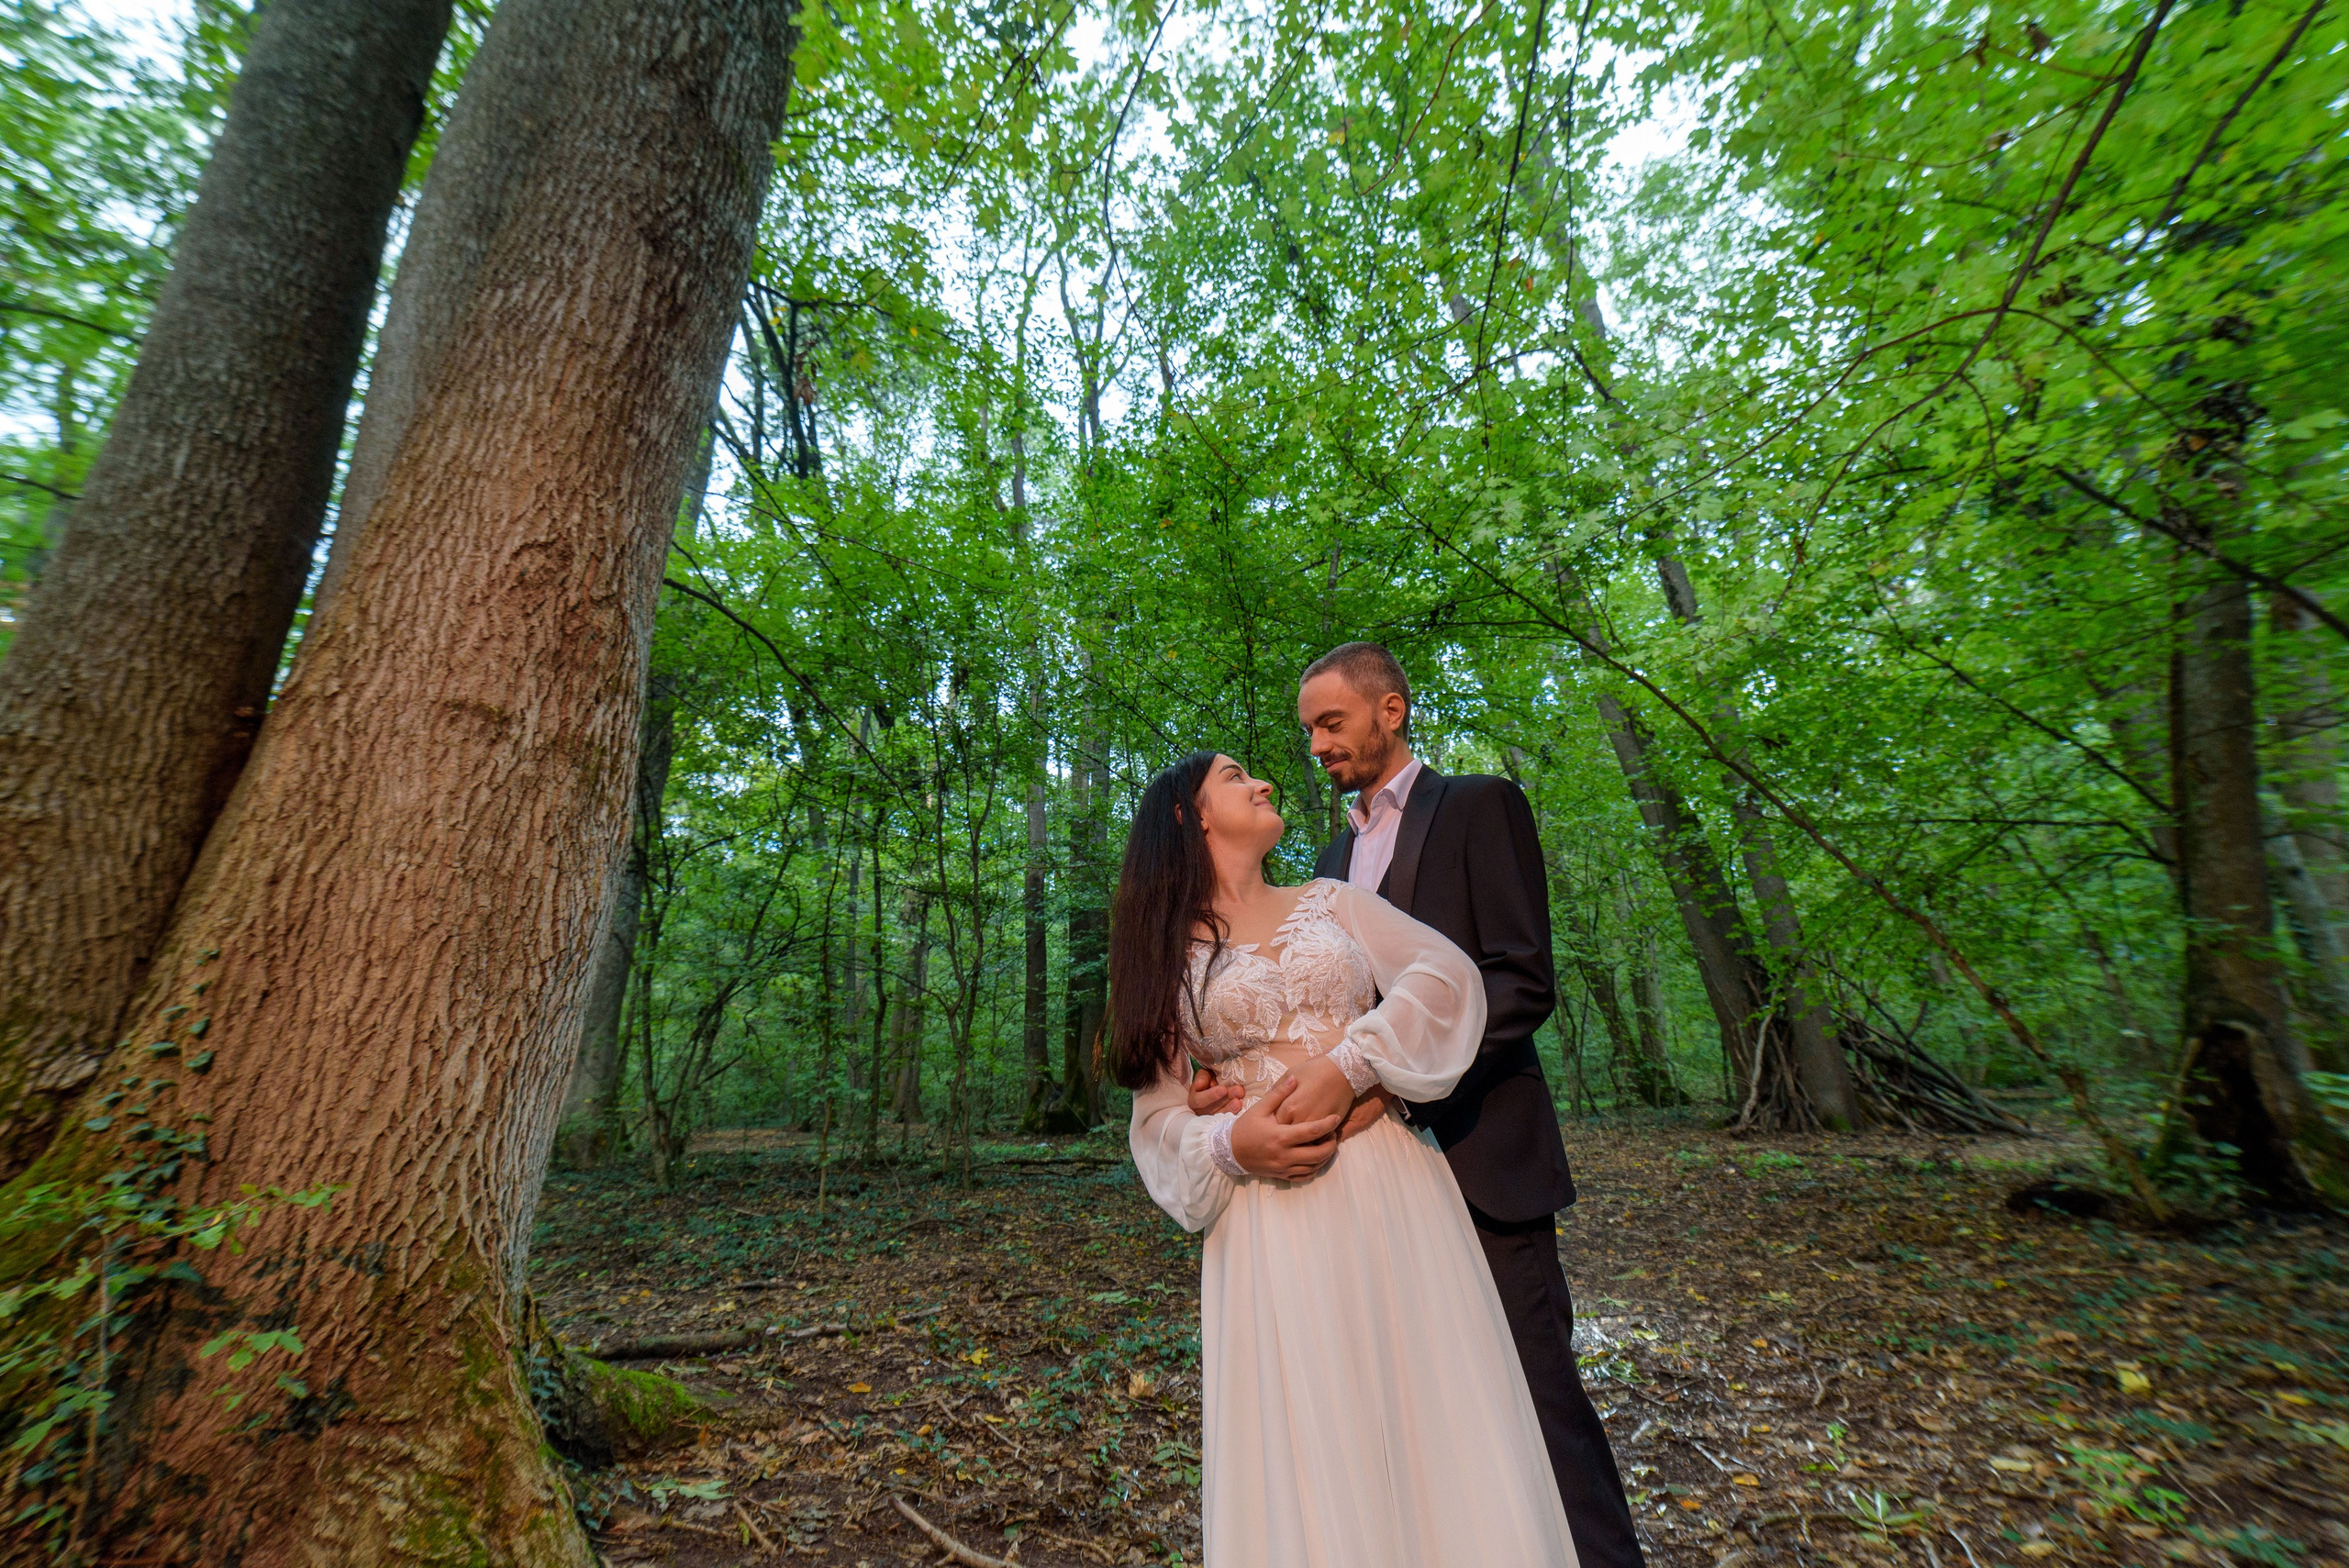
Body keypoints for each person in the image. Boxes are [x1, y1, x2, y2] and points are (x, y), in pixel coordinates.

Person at [1191, 642, 1643, 1568]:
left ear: (1389, 710)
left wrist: (1379, 1079)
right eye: (1308, 729)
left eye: (1331, 722)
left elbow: (1519, 978)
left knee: (1535, 1406)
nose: (1316, 744)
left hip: (1481, 1154)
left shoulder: (1479, 806)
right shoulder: (1324, 862)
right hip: (1362, 1192)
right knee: (1410, 1414)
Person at [1115, 751, 1579, 1568]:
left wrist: (1354, 1063)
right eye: (1235, 777)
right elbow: (1153, 1119)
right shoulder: (1163, 960)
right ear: (1192, 816)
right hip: (1268, 1219)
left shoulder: (1333, 901)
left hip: (1392, 1187)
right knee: (1317, 1434)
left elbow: (1446, 977)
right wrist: (1229, 1142)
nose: (1263, 782)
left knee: (1430, 1413)